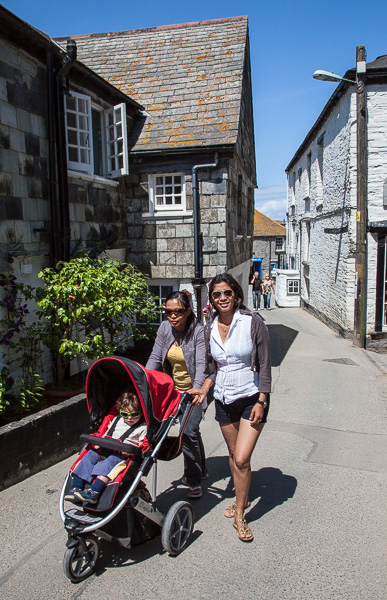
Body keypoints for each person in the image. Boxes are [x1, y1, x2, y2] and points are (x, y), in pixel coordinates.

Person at [189, 273, 271, 542]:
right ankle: (242, 498)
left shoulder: (252, 322)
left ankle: (240, 515)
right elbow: (212, 367)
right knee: (234, 453)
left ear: (236, 295)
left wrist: (262, 399)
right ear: (211, 300)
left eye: (227, 293)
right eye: (216, 294)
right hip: (224, 398)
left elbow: (266, 364)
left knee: (241, 459)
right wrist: (203, 389)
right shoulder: (209, 327)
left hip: (250, 397)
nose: (222, 298)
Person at [146, 290, 207, 499]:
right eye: (169, 311)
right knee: (191, 432)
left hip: (194, 391)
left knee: (187, 431)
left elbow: (201, 365)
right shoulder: (164, 328)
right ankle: (202, 468)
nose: (173, 315)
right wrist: (144, 380)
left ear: (188, 311)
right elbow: (155, 357)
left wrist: (197, 389)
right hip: (174, 392)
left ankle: (193, 478)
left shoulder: (198, 331)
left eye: (178, 311)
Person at [65, 391, 147, 504]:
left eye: (134, 414)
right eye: (125, 414)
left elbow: (141, 444)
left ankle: (93, 492)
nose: (129, 418)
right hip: (105, 448)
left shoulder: (142, 427)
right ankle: (76, 488)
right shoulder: (116, 420)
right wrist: (100, 441)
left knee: (107, 465)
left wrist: (131, 450)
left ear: (141, 413)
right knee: (87, 458)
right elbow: (106, 433)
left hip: (121, 454)